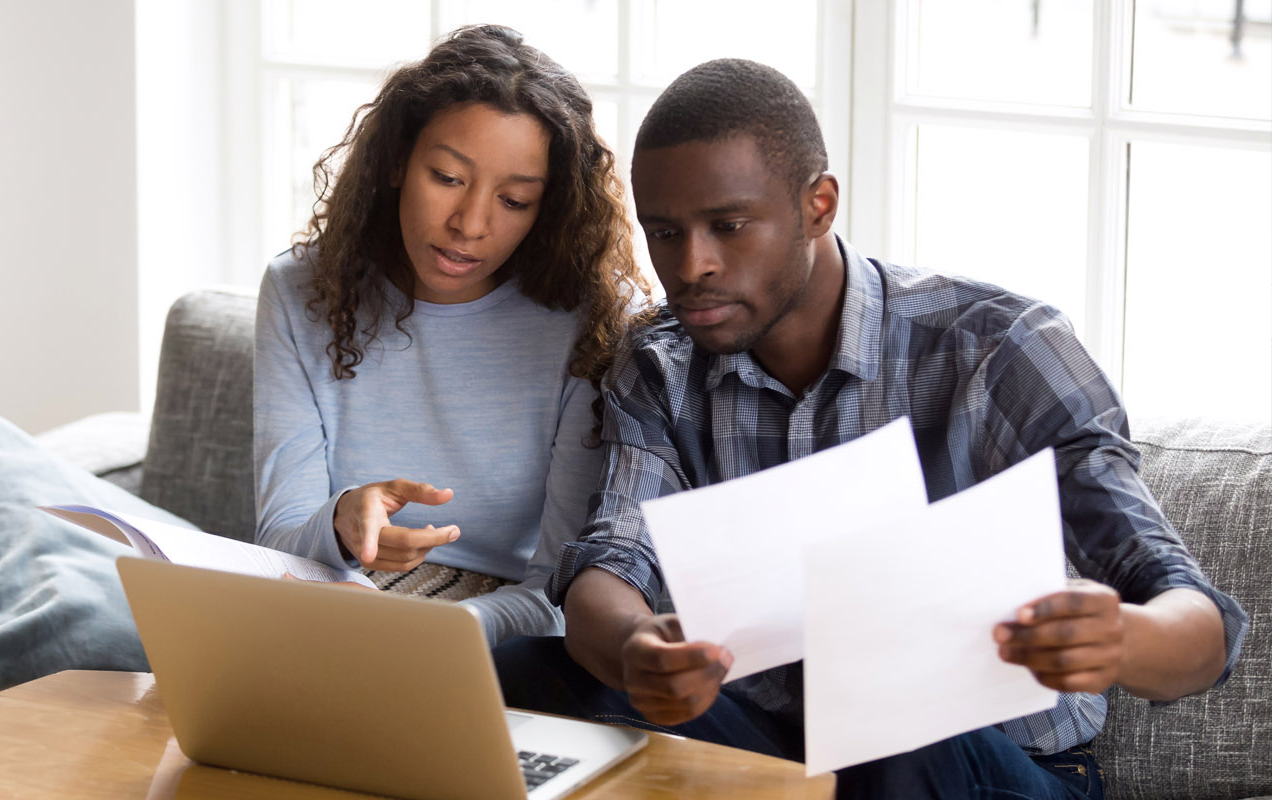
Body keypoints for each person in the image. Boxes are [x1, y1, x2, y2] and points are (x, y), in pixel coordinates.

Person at [493, 59, 1248, 797]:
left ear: (818, 205)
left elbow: (1200, 624)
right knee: (525, 672)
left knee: (896, 734)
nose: (692, 266)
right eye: (664, 233)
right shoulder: (659, 365)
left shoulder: (999, 349)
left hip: (983, 766)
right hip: (778, 751)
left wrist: (1123, 638)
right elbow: (611, 564)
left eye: (728, 226)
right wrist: (635, 652)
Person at [253, 25, 648, 646]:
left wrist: (441, 633)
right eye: (447, 177)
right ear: (395, 164)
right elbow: (278, 544)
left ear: (549, 210)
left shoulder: (591, 319)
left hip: (504, 633)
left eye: (514, 200)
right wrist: (340, 519)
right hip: (334, 603)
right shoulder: (301, 290)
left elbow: (562, 590)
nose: (470, 224)